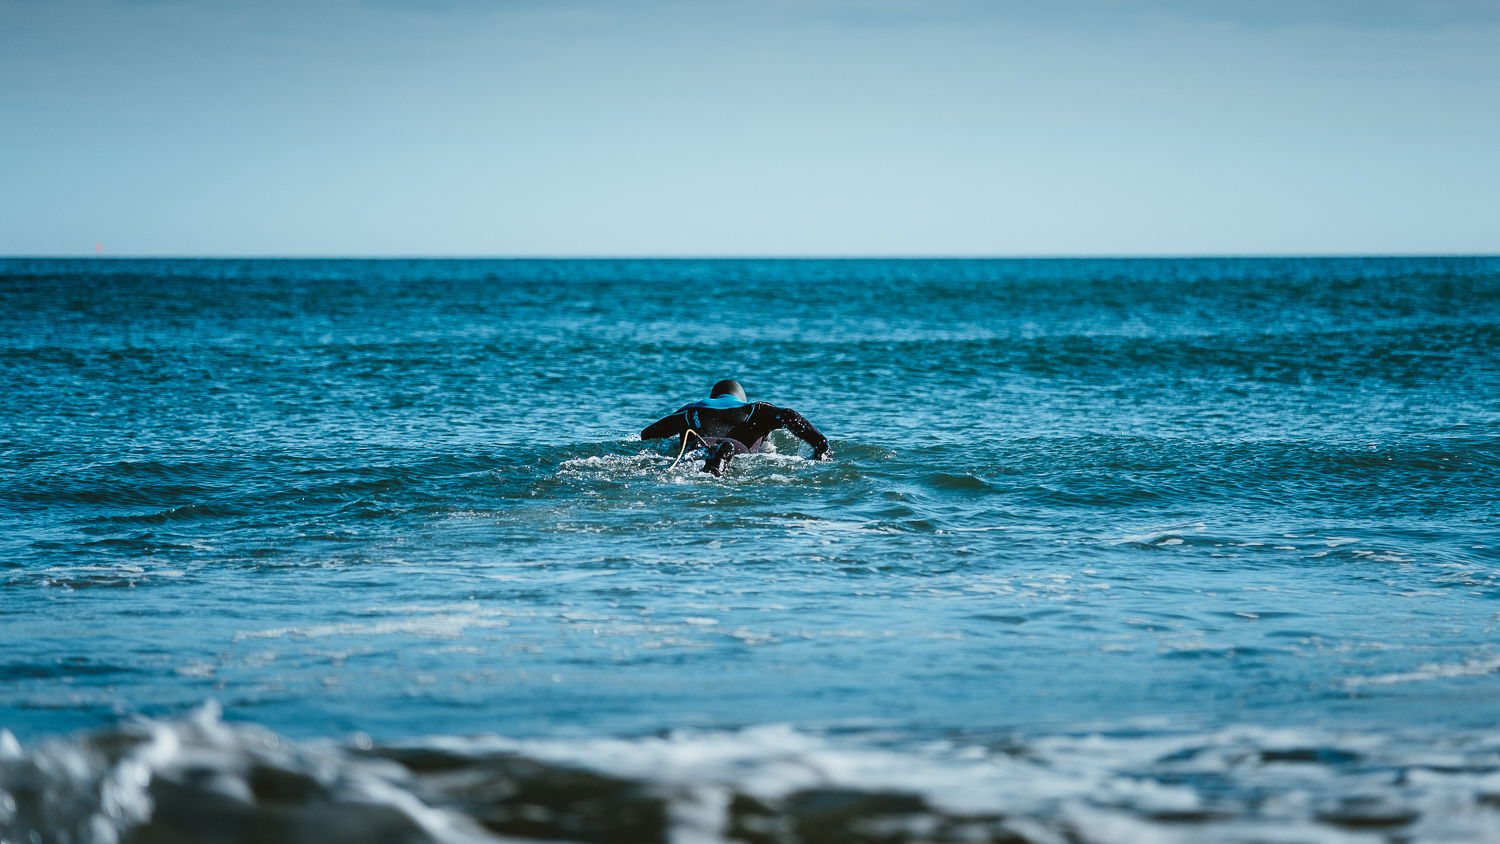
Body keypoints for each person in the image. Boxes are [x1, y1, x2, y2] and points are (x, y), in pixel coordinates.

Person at [641, 379, 832, 476]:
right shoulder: (755, 409)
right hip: (737, 446)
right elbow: (790, 415)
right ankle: (725, 451)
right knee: (732, 448)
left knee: (701, 450)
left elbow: (647, 434)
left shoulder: (692, 408)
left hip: (700, 444)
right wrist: (820, 443)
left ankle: (718, 453)